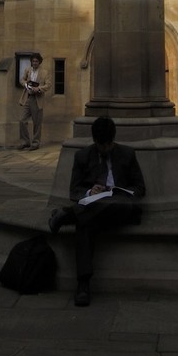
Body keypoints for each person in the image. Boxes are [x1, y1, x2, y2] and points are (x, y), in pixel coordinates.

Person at [47, 116, 145, 306]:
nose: (105, 149)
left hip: (122, 208)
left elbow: (140, 188)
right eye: (101, 146)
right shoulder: (83, 156)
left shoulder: (127, 154)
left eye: (108, 145)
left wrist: (118, 192)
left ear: (113, 141)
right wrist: (89, 191)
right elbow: (74, 190)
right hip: (93, 208)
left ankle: (68, 215)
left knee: (102, 207)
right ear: (95, 142)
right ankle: (83, 285)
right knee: (85, 224)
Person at [18, 52, 47, 151]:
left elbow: (48, 85)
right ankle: (25, 142)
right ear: (31, 62)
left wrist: (38, 89)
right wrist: (26, 85)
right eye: (33, 61)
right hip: (28, 97)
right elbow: (22, 80)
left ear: (39, 62)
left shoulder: (44, 72)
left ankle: (35, 143)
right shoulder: (28, 70)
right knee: (22, 120)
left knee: (37, 122)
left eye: (36, 61)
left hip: (37, 99)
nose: (34, 63)